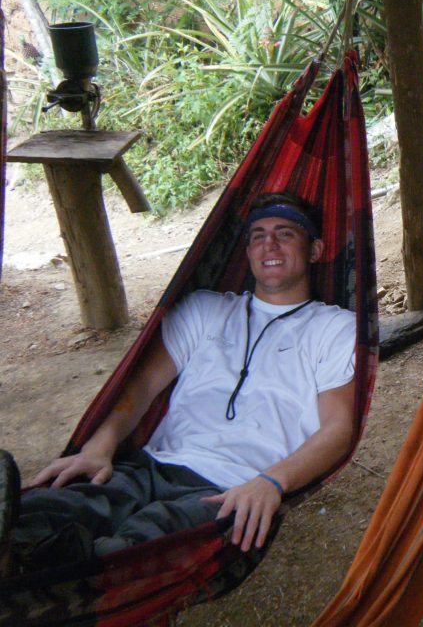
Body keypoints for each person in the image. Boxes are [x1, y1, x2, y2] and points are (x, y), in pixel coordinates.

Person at [0, 192, 357, 573]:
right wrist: (99, 446)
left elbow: (338, 428)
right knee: (49, 508)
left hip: (230, 489)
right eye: (257, 235)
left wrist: (273, 481)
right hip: (151, 466)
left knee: (139, 549)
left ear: (315, 250)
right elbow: (142, 386)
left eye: (285, 233)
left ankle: (50, 570)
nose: (269, 244)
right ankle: (35, 563)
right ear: (248, 253)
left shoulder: (333, 329)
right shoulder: (206, 309)